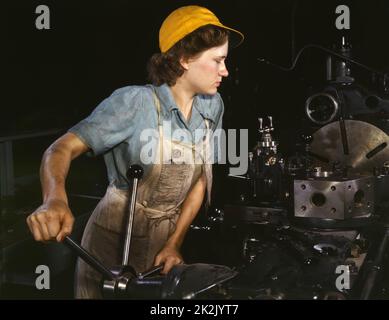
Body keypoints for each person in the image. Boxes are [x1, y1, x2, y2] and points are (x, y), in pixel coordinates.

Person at [26, 5, 243, 299]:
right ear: (184, 59)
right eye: (218, 61)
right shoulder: (135, 103)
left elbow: (202, 179)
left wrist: (174, 242)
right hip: (110, 244)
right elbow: (60, 148)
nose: (225, 71)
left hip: (163, 245)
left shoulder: (211, 106)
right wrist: (54, 199)